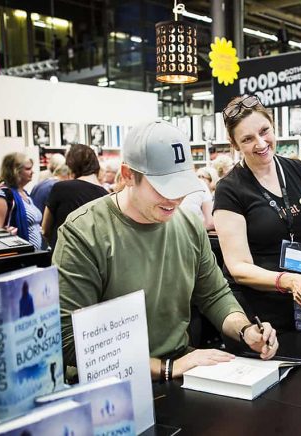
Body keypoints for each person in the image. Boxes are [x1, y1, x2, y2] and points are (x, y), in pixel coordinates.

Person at [54, 120, 277, 383]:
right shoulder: (84, 232)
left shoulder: (188, 223)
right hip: (109, 386)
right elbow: (70, 342)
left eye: (181, 186)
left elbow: (215, 295)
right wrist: (167, 367)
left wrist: (245, 330)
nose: (175, 199)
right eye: (162, 187)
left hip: (181, 369)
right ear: (128, 175)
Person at [213, 95, 301, 331]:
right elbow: (239, 267)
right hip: (258, 311)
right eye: (247, 139)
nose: (260, 143)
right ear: (235, 144)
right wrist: (286, 280)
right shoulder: (230, 189)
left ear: (273, 125)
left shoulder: (297, 170)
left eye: (264, 131)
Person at [42, 144, 109, 250]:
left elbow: (45, 229)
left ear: (70, 165)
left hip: (63, 254)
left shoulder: (60, 188)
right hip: (91, 259)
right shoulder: (106, 195)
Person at [0, 152, 44, 250]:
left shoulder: (25, 194)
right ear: (15, 171)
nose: (32, 172)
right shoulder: (1, 196)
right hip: (18, 257)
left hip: (34, 256)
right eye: (28, 169)